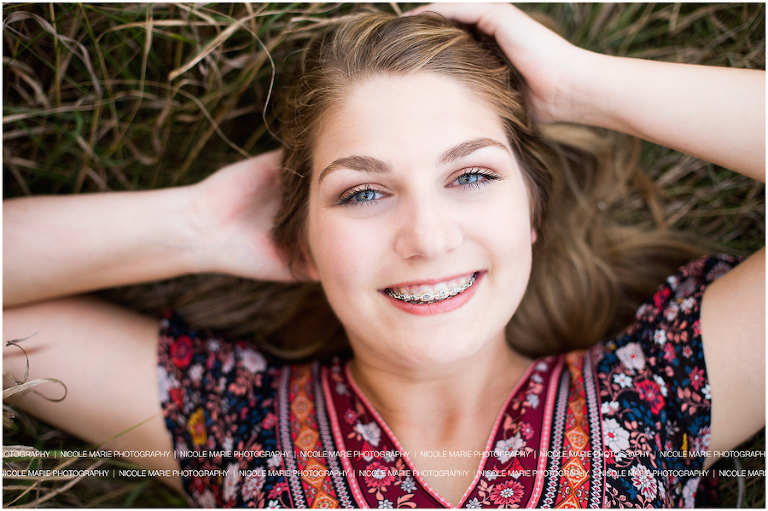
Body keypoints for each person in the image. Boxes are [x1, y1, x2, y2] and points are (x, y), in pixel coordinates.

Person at [3, 3, 764, 508]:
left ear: (532, 211)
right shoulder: (241, 431)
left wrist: (576, 84)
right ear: (302, 241)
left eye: (472, 176)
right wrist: (198, 224)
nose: (428, 237)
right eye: (363, 192)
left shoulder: (650, 403)